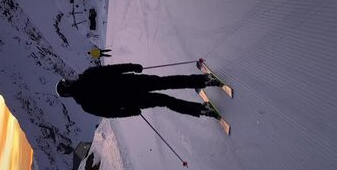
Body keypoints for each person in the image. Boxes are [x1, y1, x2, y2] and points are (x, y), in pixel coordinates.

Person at [56, 63, 223, 118]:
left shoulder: (86, 106)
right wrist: (133, 67)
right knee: (168, 82)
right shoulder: (88, 75)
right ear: (70, 84)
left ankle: (202, 110)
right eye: (68, 81)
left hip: (134, 101)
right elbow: (113, 69)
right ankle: (204, 80)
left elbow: (111, 113)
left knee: (165, 101)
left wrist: (131, 111)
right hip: (135, 82)